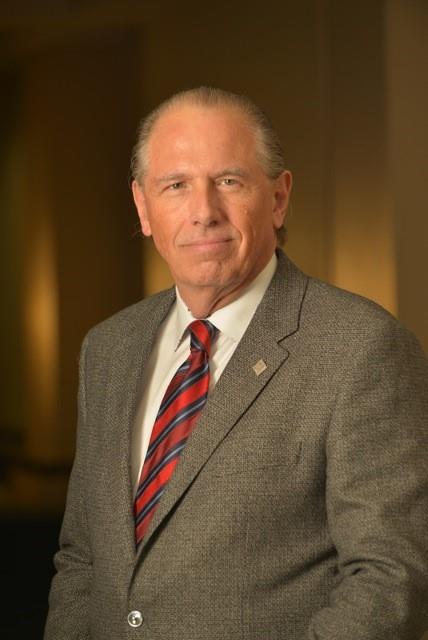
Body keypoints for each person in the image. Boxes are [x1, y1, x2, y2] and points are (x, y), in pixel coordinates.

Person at [44, 87, 428, 640]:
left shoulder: (360, 347)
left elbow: (392, 580)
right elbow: (83, 558)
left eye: (228, 181)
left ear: (278, 198)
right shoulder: (108, 348)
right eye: (176, 186)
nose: (204, 212)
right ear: (143, 208)